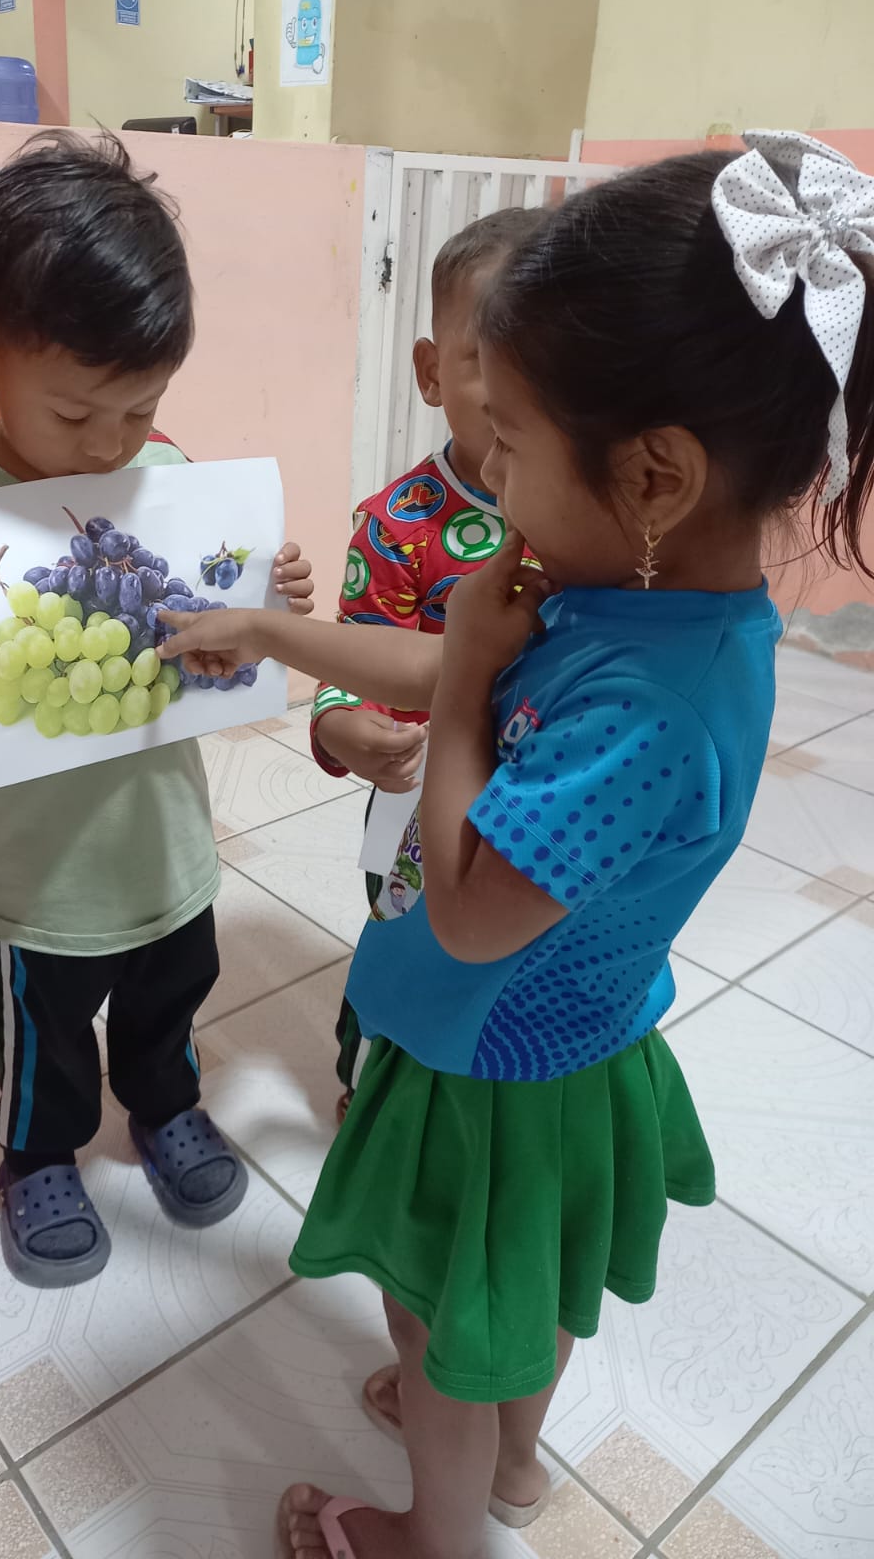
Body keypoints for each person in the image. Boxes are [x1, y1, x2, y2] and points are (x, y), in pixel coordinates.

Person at [158, 131, 874, 1559]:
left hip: (491, 1066)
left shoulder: (646, 709)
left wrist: (469, 682)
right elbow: (439, 659)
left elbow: (473, 910)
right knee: (530, 1294)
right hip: (570, 1044)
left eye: (519, 447)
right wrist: (272, 634)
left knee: (434, 1323)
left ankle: (429, 1529)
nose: (493, 480)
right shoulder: (645, 597)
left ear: (655, 473)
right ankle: (515, 1458)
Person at [0, 132, 314, 1289]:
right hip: (39, 868)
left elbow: (211, 622)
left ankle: (165, 1107)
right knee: (44, 1023)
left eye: (141, 409)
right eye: (76, 416)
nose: (111, 444)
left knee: (173, 993)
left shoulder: (166, 472)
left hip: (164, 835)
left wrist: (268, 598)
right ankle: (37, 1155)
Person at [311, 210, 539, 1122]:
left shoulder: (597, 521)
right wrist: (340, 720)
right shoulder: (399, 523)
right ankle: (368, 1079)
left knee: (509, 963)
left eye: (549, 360)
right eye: (488, 360)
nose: (519, 390)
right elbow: (357, 645)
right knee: (402, 945)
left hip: (542, 796)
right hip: (418, 798)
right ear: (431, 371)